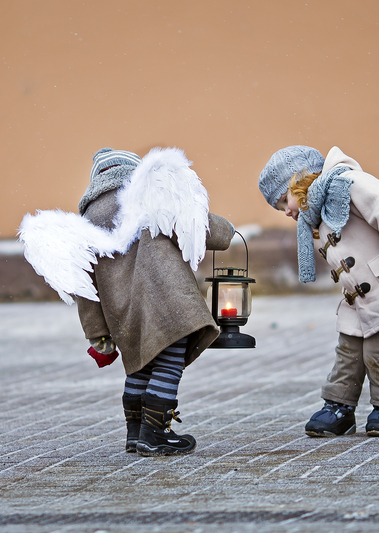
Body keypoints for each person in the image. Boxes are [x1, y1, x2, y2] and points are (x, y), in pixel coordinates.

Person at [20, 147, 234, 456]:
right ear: (135, 172)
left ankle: (135, 432)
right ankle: (156, 433)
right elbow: (195, 223)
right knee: (169, 361)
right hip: (168, 301)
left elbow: (84, 287)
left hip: (123, 315)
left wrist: (97, 333)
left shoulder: (87, 222)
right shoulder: (148, 198)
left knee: (139, 367)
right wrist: (227, 231)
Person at [258, 145, 379, 437]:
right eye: (280, 207)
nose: (286, 211)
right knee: (348, 351)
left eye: (285, 200)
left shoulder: (347, 183)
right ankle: (339, 407)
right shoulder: (318, 212)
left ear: (300, 180)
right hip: (362, 298)